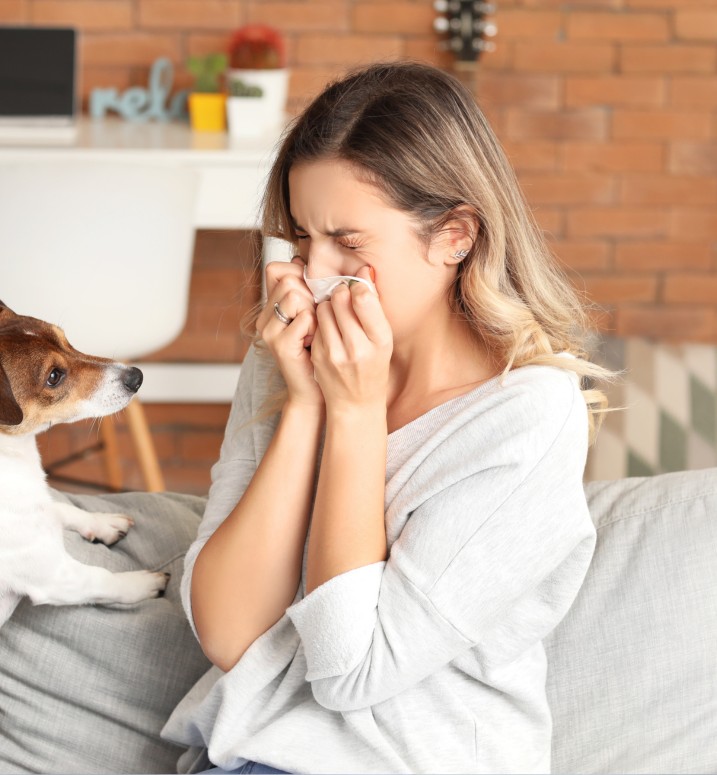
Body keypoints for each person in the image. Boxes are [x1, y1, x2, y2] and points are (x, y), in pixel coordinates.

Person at [159, 59, 614, 775]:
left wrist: (358, 413)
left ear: (454, 236)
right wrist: (308, 400)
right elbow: (227, 629)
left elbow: (350, 670)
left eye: (348, 243)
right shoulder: (285, 352)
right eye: (302, 239)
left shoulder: (525, 418)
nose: (311, 275)